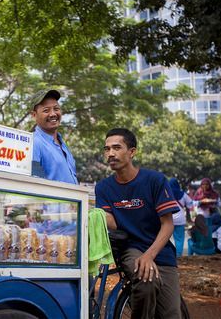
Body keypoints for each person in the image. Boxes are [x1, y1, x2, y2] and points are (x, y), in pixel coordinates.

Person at [96, 128, 181, 318]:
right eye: (107, 149)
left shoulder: (155, 180)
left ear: (132, 151)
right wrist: (95, 214)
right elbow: (112, 224)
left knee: (172, 314)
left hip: (162, 252)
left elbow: (168, 224)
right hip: (130, 248)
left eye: (117, 148)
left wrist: (149, 255)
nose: (110, 153)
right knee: (146, 280)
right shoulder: (103, 188)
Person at [31, 89, 77, 184]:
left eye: (56, 109)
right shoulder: (34, 143)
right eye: (46, 110)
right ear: (34, 115)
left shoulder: (62, 143)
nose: (53, 114)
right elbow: (35, 184)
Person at [169, 178, 193, 257]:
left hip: (168, 220)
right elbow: (190, 204)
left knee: (165, 238)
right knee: (179, 238)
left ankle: (168, 254)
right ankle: (178, 255)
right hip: (180, 219)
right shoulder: (183, 194)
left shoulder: (166, 193)